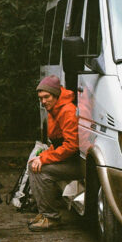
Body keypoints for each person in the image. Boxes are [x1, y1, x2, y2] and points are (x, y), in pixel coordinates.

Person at [27, 75, 81, 232]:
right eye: (40, 98)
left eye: (46, 97)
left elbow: (71, 146)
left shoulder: (67, 111)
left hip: (77, 163)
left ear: (56, 95)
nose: (43, 101)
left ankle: (51, 218)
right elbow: (58, 143)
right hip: (69, 159)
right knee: (34, 164)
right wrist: (42, 156)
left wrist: (44, 158)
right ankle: (44, 213)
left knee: (41, 171)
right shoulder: (55, 109)